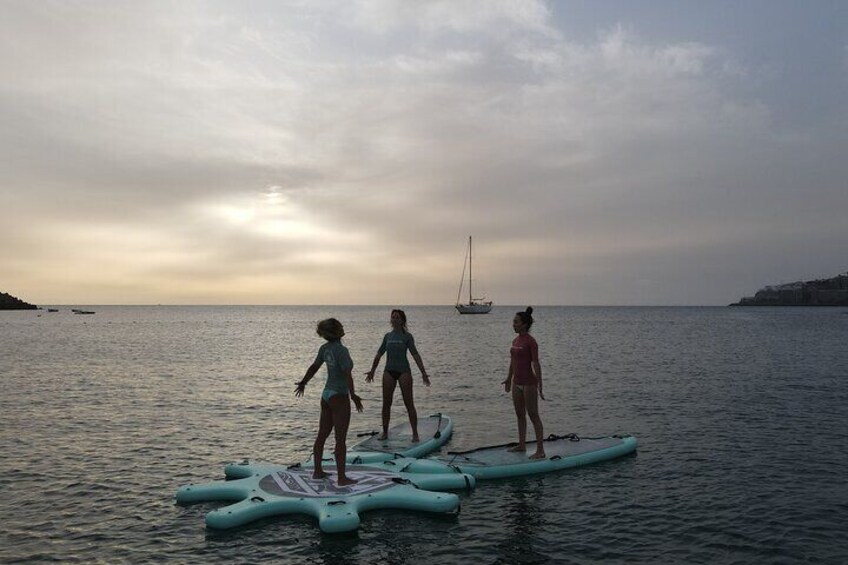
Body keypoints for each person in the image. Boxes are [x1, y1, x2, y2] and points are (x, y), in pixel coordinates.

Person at [295, 318, 364, 486]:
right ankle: (342, 478)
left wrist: (304, 382)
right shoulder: (342, 350)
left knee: (322, 435)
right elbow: (348, 375)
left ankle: (318, 471)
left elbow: (314, 367)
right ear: (338, 330)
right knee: (340, 439)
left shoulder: (324, 349)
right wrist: (353, 395)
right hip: (339, 395)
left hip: (326, 395)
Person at [364, 309, 431, 441]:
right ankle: (385, 432)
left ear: (402, 321)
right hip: (389, 371)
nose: (394, 319)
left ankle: (415, 434)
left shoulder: (407, 337)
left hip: (404, 372)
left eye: (397, 317)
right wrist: (373, 370)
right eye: (393, 317)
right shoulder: (387, 336)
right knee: (386, 403)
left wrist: (423, 373)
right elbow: (379, 354)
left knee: (409, 403)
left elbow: (415, 355)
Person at [502, 306, 546, 459]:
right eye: (513, 322)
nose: (513, 324)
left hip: (529, 383)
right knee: (519, 414)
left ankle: (540, 450)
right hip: (516, 382)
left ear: (524, 324)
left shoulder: (531, 341)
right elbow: (512, 362)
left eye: (516, 322)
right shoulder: (515, 340)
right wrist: (508, 378)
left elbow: (536, 363)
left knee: (533, 415)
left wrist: (540, 384)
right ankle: (522, 445)